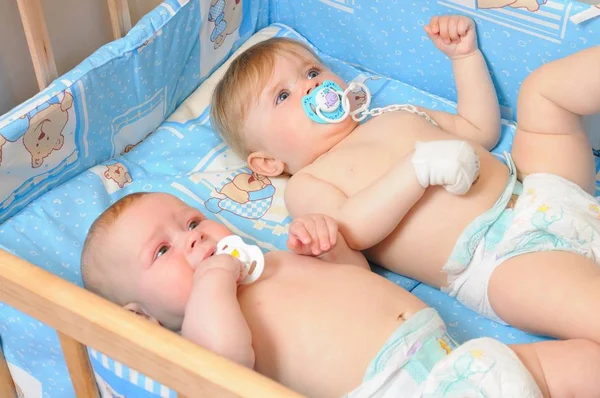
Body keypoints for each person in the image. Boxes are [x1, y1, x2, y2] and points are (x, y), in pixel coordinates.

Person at [210, 14, 600, 344]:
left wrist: (465, 58)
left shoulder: (396, 114)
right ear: (267, 163)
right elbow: (353, 230)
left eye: (312, 72)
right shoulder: (308, 182)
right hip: (498, 260)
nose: (310, 85)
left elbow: (479, 130)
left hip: (534, 186)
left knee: (542, 92)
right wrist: (416, 170)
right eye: (282, 96)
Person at [81, 191, 600, 397]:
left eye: (192, 221)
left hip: (458, 360)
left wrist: (331, 248)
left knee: (582, 362)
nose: (193, 238)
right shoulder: (202, 324)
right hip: (400, 390)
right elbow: (226, 359)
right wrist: (214, 279)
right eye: (163, 252)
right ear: (141, 317)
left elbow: (359, 280)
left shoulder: (271, 260)